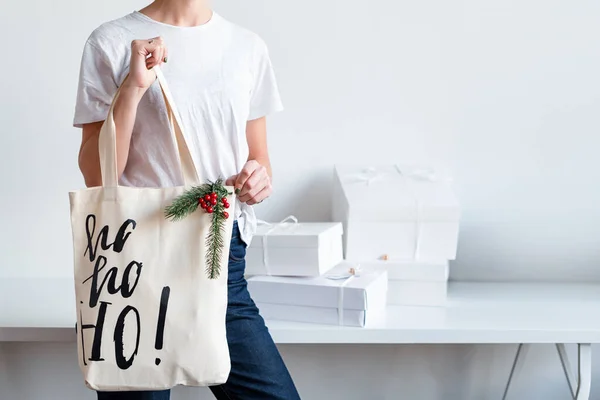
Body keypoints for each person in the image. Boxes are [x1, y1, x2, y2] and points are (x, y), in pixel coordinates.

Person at [74, 1, 301, 399]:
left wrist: (258, 177)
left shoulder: (247, 46)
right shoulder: (109, 42)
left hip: (221, 261)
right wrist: (133, 86)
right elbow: (98, 174)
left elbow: (258, 155)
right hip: (136, 266)